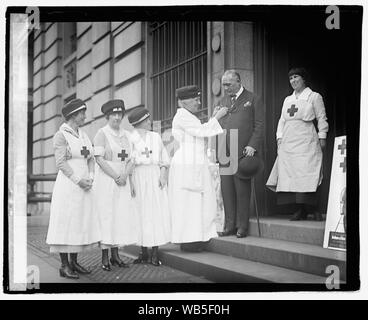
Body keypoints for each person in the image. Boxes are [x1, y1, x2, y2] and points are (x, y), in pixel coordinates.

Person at [169, 85, 228, 252]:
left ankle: (196, 237)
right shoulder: (182, 116)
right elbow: (201, 132)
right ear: (185, 102)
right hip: (188, 163)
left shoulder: (188, 116)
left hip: (195, 162)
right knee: (188, 202)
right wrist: (217, 117)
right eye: (195, 99)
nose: (198, 102)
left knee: (197, 202)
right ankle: (188, 241)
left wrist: (213, 117)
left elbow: (199, 131)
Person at [46, 98, 101, 279]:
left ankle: (74, 262)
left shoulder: (84, 135)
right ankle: (64, 265)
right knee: (66, 223)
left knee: (78, 222)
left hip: (84, 187)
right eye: (82, 113)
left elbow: (91, 158)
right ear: (73, 115)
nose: (85, 116)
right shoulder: (61, 135)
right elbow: (61, 163)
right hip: (69, 186)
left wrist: (91, 177)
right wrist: (79, 180)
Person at [266, 67, 328, 221]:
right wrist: (279, 138)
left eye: (296, 77)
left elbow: (321, 117)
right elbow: (282, 120)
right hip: (289, 141)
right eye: (291, 78)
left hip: (307, 139)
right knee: (292, 175)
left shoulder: (314, 97)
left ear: (303, 79)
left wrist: (322, 136)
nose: (293, 81)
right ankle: (300, 210)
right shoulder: (288, 100)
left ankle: (315, 209)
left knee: (310, 173)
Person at [216, 70, 264, 238]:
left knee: (242, 189)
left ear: (238, 81)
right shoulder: (223, 101)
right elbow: (217, 124)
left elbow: (259, 125)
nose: (225, 88)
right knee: (227, 190)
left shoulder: (252, 98)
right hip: (225, 151)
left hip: (243, 151)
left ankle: (241, 226)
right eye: (223, 85)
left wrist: (252, 145)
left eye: (228, 84)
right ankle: (229, 225)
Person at [93, 99, 138, 271]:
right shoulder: (101, 134)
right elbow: (99, 159)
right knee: (107, 216)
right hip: (107, 179)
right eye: (114, 114)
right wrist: (115, 176)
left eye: (120, 114)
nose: (117, 117)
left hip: (123, 180)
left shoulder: (127, 135)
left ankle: (116, 256)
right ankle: (105, 257)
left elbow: (132, 159)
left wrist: (125, 176)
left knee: (120, 216)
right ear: (108, 116)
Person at [127, 107, 171, 266]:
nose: (149, 122)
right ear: (139, 123)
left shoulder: (155, 137)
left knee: (155, 213)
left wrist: (163, 173)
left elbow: (164, 158)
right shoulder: (130, 138)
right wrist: (130, 182)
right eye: (146, 120)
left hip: (154, 176)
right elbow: (129, 162)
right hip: (139, 177)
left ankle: (155, 252)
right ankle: (143, 252)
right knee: (141, 212)